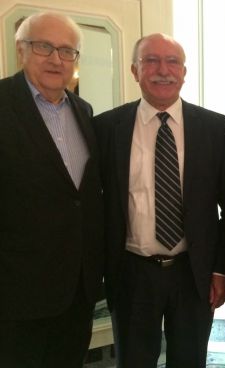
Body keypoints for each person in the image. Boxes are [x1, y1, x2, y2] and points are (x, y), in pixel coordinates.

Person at [94, 33, 225, 367]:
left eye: (172, 61)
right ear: (134, 70)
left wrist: (222, 269)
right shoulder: (105, 127)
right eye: (151, 61)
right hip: (131, 271)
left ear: (184, 72)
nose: (163, 70)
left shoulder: (214, 127)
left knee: (190, 360)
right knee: (134, 360)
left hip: (194, 273)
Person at [0, 12, 103, 368]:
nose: (56, 59)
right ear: (21, 50)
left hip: (77, 288)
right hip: (18, 292)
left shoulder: (84, 111)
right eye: (44, 47)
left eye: (67, 50)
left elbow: (81, 198)